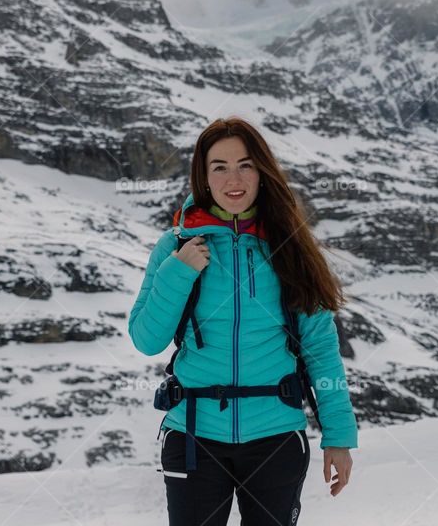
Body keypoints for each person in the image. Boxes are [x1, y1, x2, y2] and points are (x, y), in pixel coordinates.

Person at [128, 116, 358, 526]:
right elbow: (147, 338)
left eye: (245, 164)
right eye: (219, 167)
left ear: (262, 171)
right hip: (194, 436)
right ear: (204, 176)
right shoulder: (176, 246)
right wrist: (179, 272)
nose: (234, 178)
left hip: (276, 438)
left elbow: (321, 351)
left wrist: (339, 437)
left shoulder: (291, 248)